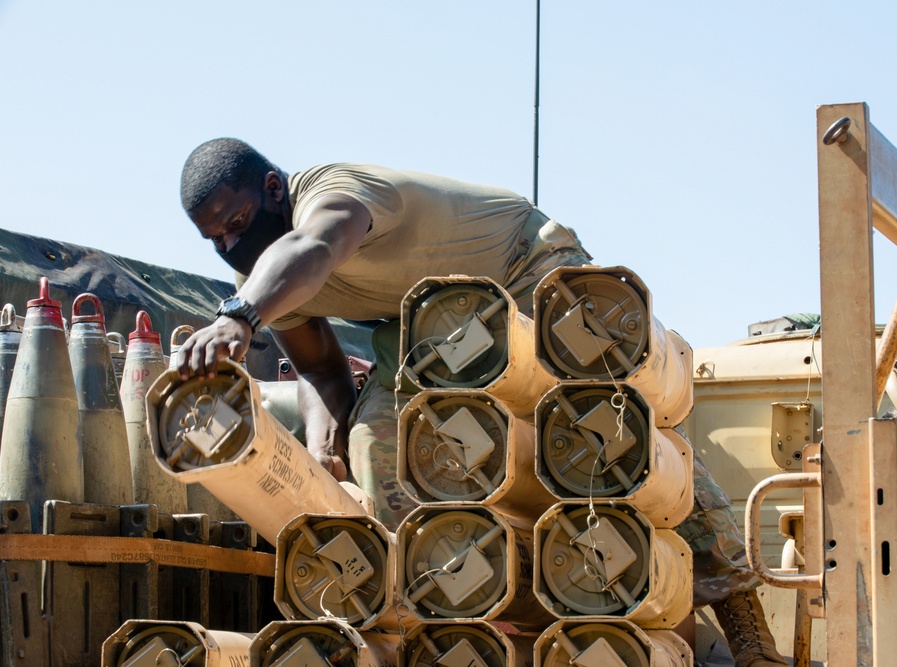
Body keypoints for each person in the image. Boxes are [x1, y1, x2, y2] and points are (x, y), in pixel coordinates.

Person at [175, 138, 786, 666]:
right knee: (374, 439)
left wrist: (240, 317)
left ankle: (742, 614)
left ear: (275, 189)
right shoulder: (263, 280)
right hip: (428, 327)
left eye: (237, 221)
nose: (231, 244)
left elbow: (311, 251)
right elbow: (320, 370)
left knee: (627, 429)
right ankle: (434, 613)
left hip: (526, 273)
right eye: (214, 239)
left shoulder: (334, 196)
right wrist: (325, 436)